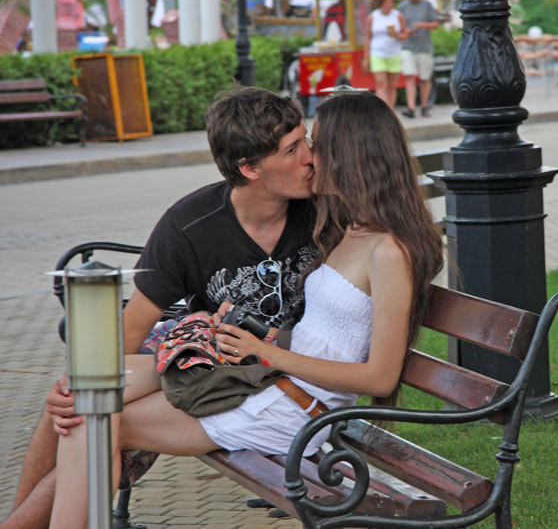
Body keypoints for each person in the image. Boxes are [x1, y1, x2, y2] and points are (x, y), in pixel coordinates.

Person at [47, 90, 444, 529]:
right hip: (270, 384)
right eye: (301, 145)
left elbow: (380, 378)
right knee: (85, 402)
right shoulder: (347, 230)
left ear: (351, 155)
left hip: (294, 409)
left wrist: (271, 354)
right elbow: (333, 332)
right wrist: (269, 341)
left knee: (93, 423)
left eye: (316, 144)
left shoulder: (387, 251)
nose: (310, 157)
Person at [0, 87, 319, 529]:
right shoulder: (190, 225)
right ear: (249, 168)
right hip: (211, 366)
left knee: (97, 414)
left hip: (282, 377)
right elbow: (130, 334)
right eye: (293, 148)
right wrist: (83, 382)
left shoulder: (325, 212)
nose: (310, 157)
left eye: (306, 141)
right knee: (77, 397)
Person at [398, 0, 440, 118]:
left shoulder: (427, 4)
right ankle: (411, 107)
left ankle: (424, 106)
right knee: (409, 76)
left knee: (424, 78)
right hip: (408, 47)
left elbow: (436, 24)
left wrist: (424, 25)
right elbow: (398, 27)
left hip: (424, 47)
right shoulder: (402, 6)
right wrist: (406, 31)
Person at [364, 0, 408, 109]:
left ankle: (390, 110)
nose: (389, 5)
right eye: (387, 2)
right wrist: (366, 58)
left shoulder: (398, 16)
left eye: (391, 2)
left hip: (394, 54)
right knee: (381, 84)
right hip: (377, 54)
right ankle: (383, 110)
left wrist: (397, 35)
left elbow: (405, 34)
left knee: (392, 86)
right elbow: (368, 38)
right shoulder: (373, 17)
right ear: (381, 3)